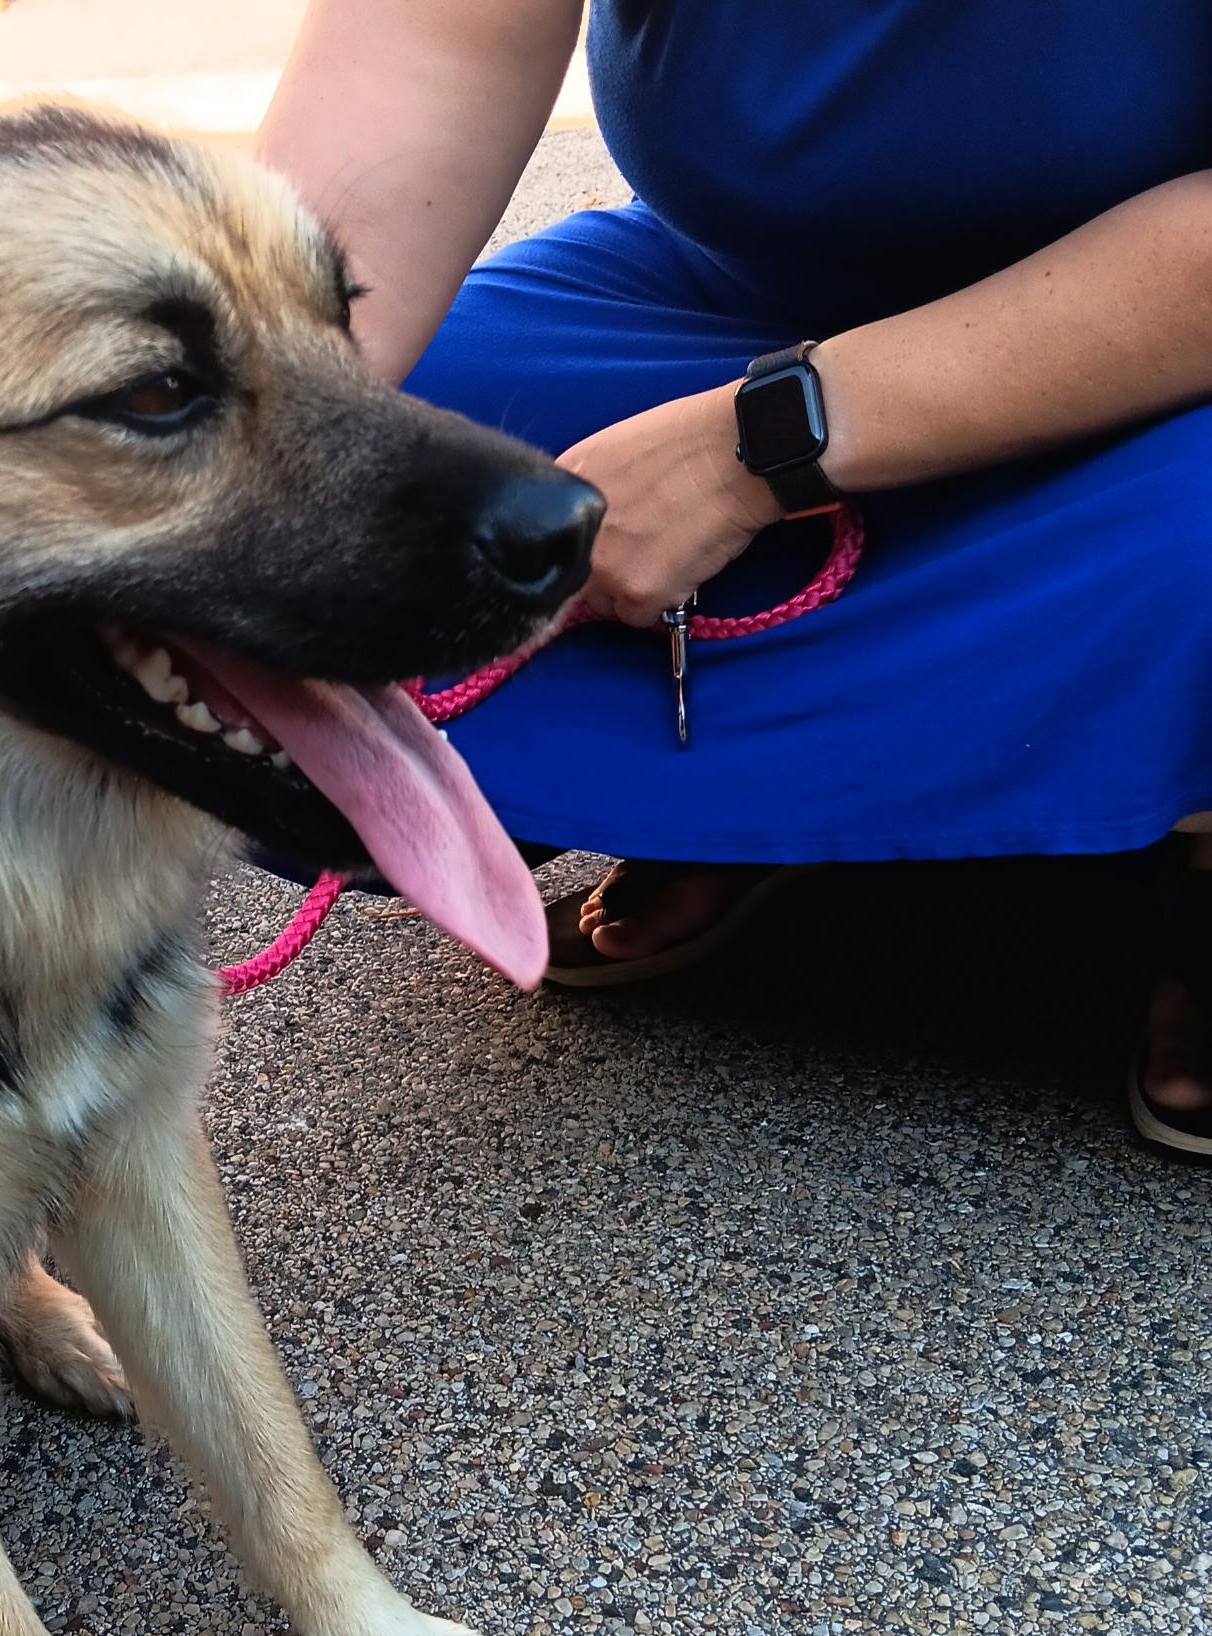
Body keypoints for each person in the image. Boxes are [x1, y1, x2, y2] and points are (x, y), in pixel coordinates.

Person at [257, 0, 1212, 1157]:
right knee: (391, 464)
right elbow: (415, 60)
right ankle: (802, 795)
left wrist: (760, 447)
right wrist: (221, 456)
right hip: (734, 306)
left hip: (1162, 352)